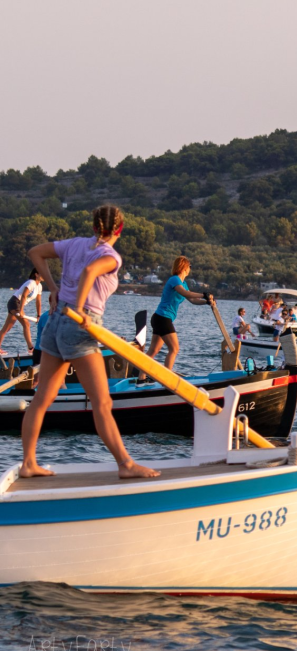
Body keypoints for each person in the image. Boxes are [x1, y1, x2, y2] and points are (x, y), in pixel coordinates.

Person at [21, 204, 159, 479]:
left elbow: (35, 253)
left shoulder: (73, 244)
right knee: (102, 402)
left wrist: (54, 288)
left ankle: (28, 463)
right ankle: (126, 465)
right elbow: (89, 273)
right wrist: (81, 309)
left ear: (95, 226)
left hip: (56, 322)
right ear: (119, 229)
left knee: (42, 397)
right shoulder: (111, 257)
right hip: (81, 327)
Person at [144, 256, 214, 376]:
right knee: (174, 349)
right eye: (189, 266)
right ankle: (167, 378)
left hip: (160, 318)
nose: (190, 269)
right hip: (163, 318)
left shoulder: (183, 283)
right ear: (184, 267)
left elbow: (192, 299)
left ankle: (141, 378)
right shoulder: (174, 280)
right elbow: (184, 292)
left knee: (153, 350)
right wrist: (204, 294)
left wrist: (206, 302)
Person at [0, 269, 44, 354]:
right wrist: (21, 311)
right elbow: (24, 295)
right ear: (36, 275)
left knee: (7, 328)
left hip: (18, 305)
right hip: (14, 302)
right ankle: (31, 348)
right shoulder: (31, 283)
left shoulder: (39, 286)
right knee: (26, 324)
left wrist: (38, 315)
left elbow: (38, 301)